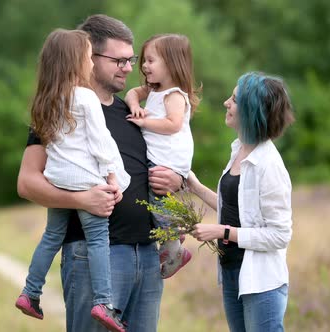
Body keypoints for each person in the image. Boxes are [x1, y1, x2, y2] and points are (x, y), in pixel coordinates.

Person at [17, 14, 183, 332]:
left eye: (130, 59)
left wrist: (174, 182)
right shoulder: (59, 111)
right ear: (87, 56)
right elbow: (27, 183)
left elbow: (160, 163)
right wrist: (82, 198)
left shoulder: (132, 114)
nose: (128, 67)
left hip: (147, 256)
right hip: (93, 255)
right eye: (118, 60)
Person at [14, 28, 130, 332]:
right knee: (98, 239)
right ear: (74, 61)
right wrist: (111, 175)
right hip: (84, 181)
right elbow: (99, 141)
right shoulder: (85, 97)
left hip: (57, 180)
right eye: (88, 57)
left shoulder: (46, 99)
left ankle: (30, 292)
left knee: (52, 236)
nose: (91, 63)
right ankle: (103, 302)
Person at [187, 72, 295, 331]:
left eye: (234, 100)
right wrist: (195, 187)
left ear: (251, 111)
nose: (226, 102)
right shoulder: (239, 150)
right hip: (232, 272)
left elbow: (279, 235)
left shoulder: (268, 165)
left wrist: (222, 231)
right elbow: (238, 209)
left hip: (261, 281)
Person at [124, 34, 201, 279]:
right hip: (159, 156)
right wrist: (135, 103)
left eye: (150, 60)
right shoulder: (153, 89)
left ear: (170, 63)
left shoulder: (175, 95)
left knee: (155, 200)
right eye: (143, 61)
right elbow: (131, 93)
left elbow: (173, 124)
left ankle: (175, 250)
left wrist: (143, 122)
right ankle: (172, 233)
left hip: (169, 158)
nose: (144, 66)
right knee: (155, 199)